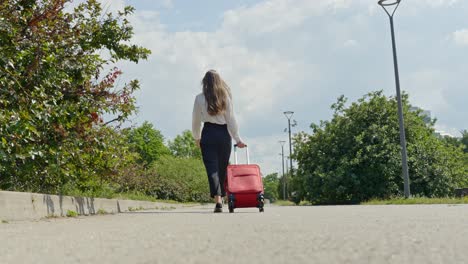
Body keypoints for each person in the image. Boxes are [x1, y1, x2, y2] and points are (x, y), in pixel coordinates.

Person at [192, 70, 246, 213]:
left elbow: (196, 121)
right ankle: (221, 197)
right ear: (218, 81)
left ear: (204, 82)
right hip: (223, 135)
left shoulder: (199, 98)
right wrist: (238, 139)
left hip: (208, 134)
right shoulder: (225, 97)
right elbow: (231, 120)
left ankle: (218, 200)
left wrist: (197, 137)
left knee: (212, 169)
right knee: (221, 169)